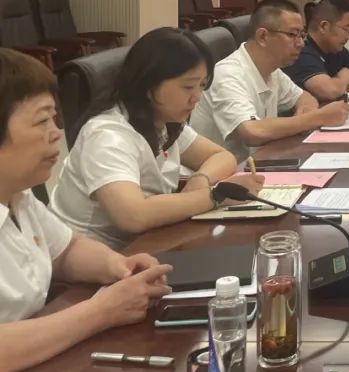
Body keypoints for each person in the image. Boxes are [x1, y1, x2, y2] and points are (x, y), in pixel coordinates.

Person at [0, 48, 173, 372]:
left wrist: (117, 266)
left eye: (54, 119)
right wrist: (101, 312)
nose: (56, 133)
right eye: (41, 121)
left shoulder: (18, 196)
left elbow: (67, 249)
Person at [50, 29, 264, 249]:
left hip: (145, 243)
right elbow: (133, 216)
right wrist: (215, 196)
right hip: (88, 257)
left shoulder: (163, 120)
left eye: (201, 85)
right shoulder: (107, 136)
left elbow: (222, 156)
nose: (197, 97)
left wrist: (200, 178)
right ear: (149, 83)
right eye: (188, 87)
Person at [190, 0, 349, 161]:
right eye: (293, 35)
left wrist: (306, 114)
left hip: (259, 163)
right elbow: (252, 132)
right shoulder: (227, 74)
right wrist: (316, 118)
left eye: (302, 35)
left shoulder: (273, 71)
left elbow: (304, 97)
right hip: (224, 172)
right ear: (263, 36)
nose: (301, 43)